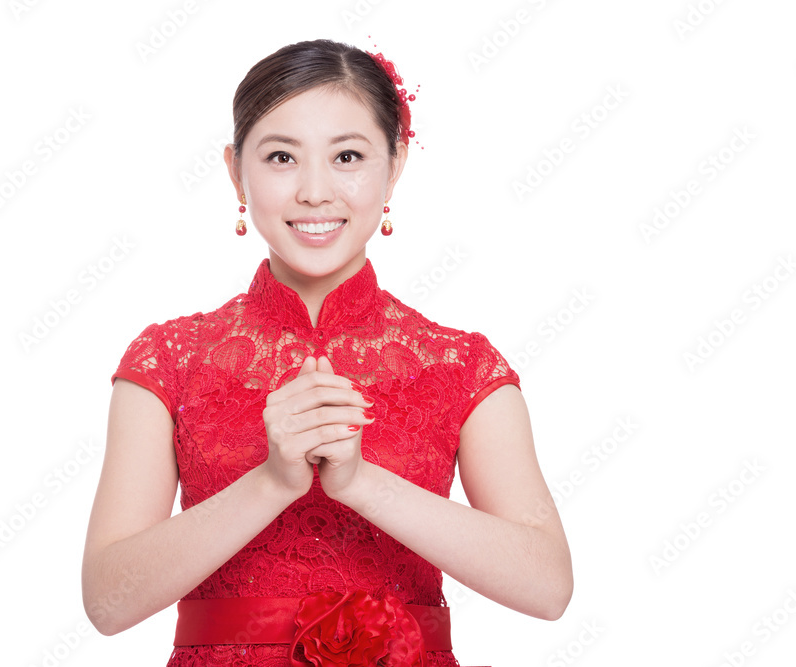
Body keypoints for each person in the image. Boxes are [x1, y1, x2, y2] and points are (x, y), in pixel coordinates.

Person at [81, 38, 573, 666]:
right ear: (236, 171)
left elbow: (549, 586)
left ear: (393, 166)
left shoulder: (461, 366)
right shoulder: (168, 359)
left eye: (348, 156)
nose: (315, 191)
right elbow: (107, 602)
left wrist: (362, 483)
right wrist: (272, 482)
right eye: (281, 156)